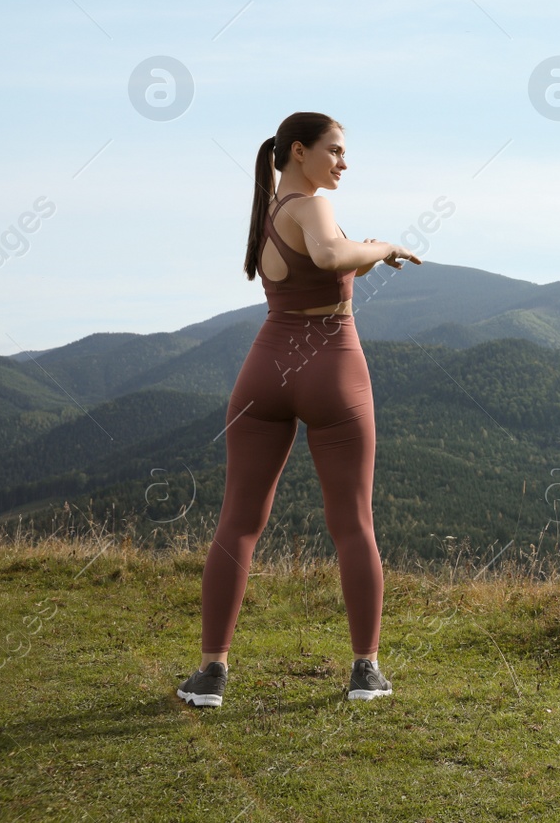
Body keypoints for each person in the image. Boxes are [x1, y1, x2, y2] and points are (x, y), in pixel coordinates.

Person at [177, 112, 421, 707]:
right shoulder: (312, 207)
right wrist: (384, 244)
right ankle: (366, 669)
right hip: (332, 368)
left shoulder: (268, 215)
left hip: (265, 371)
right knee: (352, 524)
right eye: (334, 150)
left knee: (237, 523)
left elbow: (328, 262)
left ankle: (210, 674)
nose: (343, 162)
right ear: (298, 151)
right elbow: (331, 255)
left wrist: (363, 257)